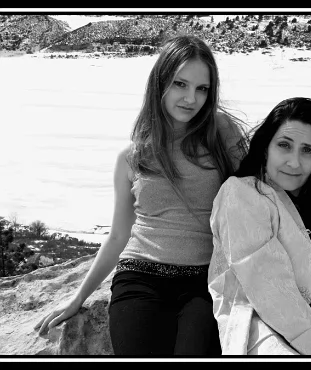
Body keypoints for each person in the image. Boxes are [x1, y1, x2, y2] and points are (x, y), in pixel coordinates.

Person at [34, 34, 248, 356]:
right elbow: (119, 234)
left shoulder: (221, 135)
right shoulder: (131, 157)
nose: (191, 98)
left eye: (202, 88)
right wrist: (78, 297)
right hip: (140, 277)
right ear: (160, 82)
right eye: (180, 84)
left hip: (204, 283)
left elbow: (256, 192)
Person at [208, 97, 311, 356]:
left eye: (307, 150)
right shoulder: (243, 194)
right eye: (284, 145)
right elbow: (270, 291)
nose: (294, 162)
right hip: (263, 332)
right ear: (266, 146)